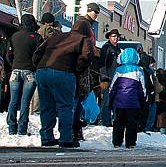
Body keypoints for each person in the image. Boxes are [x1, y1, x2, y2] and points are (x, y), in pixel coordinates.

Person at [33, 18, 95, 148]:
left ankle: (46, 137)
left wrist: (40, 66)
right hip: (64, 73)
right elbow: (87, 57)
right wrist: (76, 70)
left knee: (46, 106)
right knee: (65, 106)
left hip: (42, 71)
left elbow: (37, 53)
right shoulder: (83, 39)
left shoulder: (56, 36)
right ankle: (65, 138)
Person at [6, 13, 41, 136]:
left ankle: (11, 127)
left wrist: (14, 65)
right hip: (30, 72)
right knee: (25, 101)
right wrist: (34, 66)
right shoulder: (37, 37)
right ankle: (22, 128)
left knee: (13, 100)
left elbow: (9, 55)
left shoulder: (14, 36)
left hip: (15, 70)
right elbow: (39, 56)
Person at [109, 47, 146, 148]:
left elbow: (113, 87)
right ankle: (130, 143)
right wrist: (142, 101)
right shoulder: (139, 71)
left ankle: (117, 141)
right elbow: (142, 89)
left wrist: (111, 99)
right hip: (133, 102)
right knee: (131, 123)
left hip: (119, 101)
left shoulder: (118, 70)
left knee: (118, 121)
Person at [99, 28, 122, 127]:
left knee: (116, 100)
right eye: (113, 36)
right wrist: (103, 78)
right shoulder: (106, 48)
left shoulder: (118, 49)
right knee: (106, 101)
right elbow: (102, 63)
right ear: (109, 37)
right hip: (108, 78)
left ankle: (115, 120)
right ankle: (105, 121)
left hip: (116, 79)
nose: (116, 38)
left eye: (117, 36)